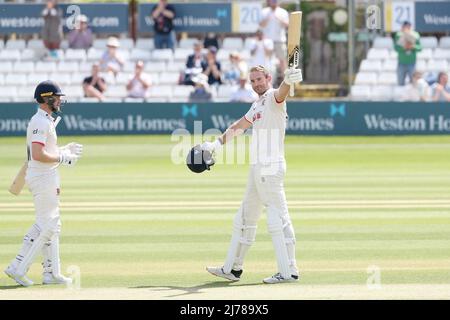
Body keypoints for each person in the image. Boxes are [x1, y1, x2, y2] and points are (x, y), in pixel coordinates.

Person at [204, 65, 303, 284]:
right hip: (257, 168)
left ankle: (289, 271)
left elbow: (282, 93)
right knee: (245, 218)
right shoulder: (257, 104)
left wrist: (287, 81)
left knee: (278, 217)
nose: (256, 83)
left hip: (270, 167)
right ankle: (233, 269)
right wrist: (216, 144)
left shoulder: (273, 99)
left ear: (268, 78)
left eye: (259, 79)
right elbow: (239, 126)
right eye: (253, 81)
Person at [4, 81, 82, 287]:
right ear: (47, 98)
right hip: (42, 177)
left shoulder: (45, 120)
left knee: (52, 225)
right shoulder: (39, 122)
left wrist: (64, 149)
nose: (60, 100)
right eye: (56, 97)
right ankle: (18, 267)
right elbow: (38, 155)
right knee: (47, 224)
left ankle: (51, 273)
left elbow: (46, 149)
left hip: (46, 175)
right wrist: (63, 158)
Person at [259, 0, 289, 80]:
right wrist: (268, 18)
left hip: (280, 40)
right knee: (266, 62)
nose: (274, 2)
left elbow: (287, 25)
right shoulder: (264, 12)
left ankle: (286, 82)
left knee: (282, 61)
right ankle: (266, 81)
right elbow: (261, 25)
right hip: (267, 41)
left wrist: (279, 19)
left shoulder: (283, 12)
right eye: (272, 0)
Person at [394, 21, 422, 86]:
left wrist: (412, 46)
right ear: (402, 27)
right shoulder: (398, 35)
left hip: (412, 63)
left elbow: (420, 48)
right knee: (400, 83)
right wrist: (404, 48)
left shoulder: (416, 35)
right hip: (401, 63)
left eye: (408, 27)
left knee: (414, 83)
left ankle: (413, 96)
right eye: (405, 27)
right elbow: (396, 48)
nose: (406, 28)